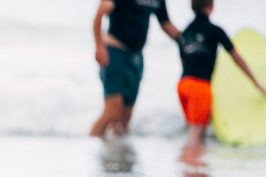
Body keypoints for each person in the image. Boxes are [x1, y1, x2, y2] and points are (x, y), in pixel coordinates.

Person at [176, 0, 266, 148]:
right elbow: (236, 57)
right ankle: (188, 168)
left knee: (194, 131)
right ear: (211, 6)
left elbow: (184, 61)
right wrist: (256, 83)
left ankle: (192, 168)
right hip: (200, 87)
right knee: (196, 135)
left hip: (183, 86)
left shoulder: (186, 32)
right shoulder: (215, 31)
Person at [90, 0, 180, 137]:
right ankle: (90, 144)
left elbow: (166, 24)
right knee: (113, 109)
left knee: (125, 117)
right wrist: (99, 46)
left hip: (136, 58)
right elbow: (100, 13)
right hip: (115, 52)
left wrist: (188, 41)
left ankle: (117, 154)